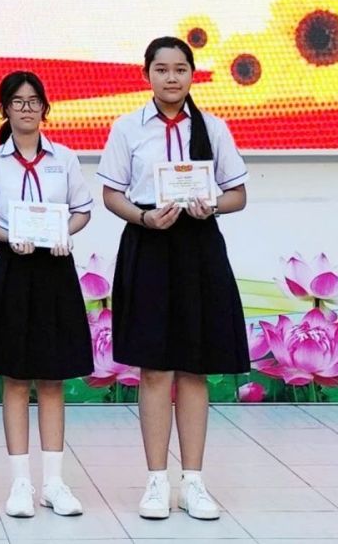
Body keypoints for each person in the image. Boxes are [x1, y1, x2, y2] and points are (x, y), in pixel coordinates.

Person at [97, 37, 250, 522]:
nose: (171, 78)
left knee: (194, 367)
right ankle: (157, 481)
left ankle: (194, 482)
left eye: (180, 69)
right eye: (161, 69)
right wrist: (144, 218)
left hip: (198, 247)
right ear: (147, 74)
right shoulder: (127, 128)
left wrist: (212, 206)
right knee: (155, 369)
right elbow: (112, 194)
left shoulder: (213, 127)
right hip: (149, 244)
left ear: (192, 75)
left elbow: (238, 194)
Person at [0, 71, 93, 519]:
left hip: (55, 270)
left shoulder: (65, 158)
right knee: (16, 379)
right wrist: (8, 236)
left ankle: (54, 483)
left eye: (34, 101)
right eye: (17, 102)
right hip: (14, 271)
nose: (26, 108)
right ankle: (21, 483)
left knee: (53, 378)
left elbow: (82, 211)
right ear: (5, 109)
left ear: (45, 108)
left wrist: (65, 232)